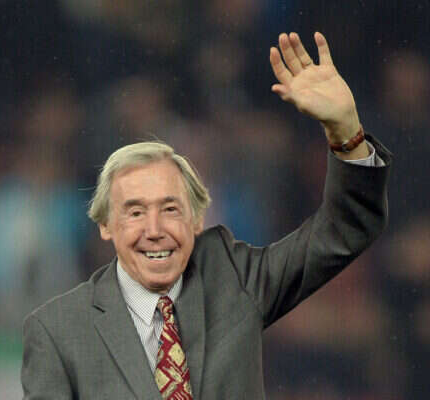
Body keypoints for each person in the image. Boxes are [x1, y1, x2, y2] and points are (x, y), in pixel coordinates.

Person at [21, 32, 392, 399]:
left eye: (170, 209)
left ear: (197, 219)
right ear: (106, 225)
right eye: (135, 212)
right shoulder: (57, 331)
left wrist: (346, 132)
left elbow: (345, 229)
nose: (154, 229)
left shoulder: (233, 279)